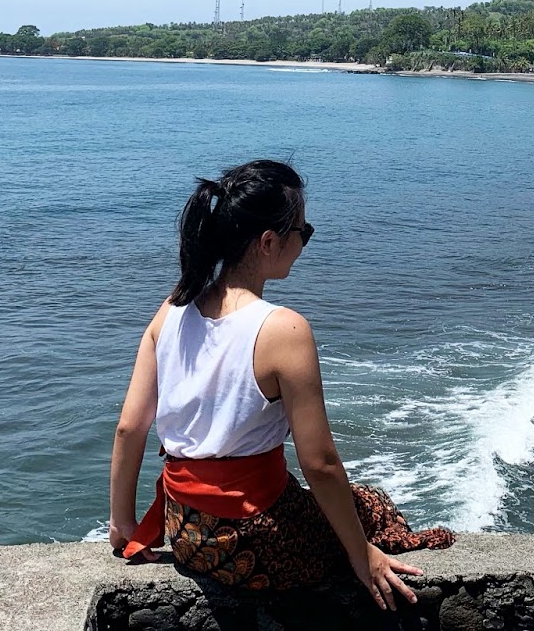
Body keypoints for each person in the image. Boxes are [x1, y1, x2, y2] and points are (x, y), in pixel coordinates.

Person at [107, 159, 454, 610]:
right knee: (374, 508)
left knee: (353, 508)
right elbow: (320, 463)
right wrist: (361, 554)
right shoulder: (283, 330)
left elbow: (129, 428)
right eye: (303, 232)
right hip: (252, 541)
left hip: (186, 531)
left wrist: (123, 523)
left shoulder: (172, 309)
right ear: (269, 241)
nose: (305, 242)